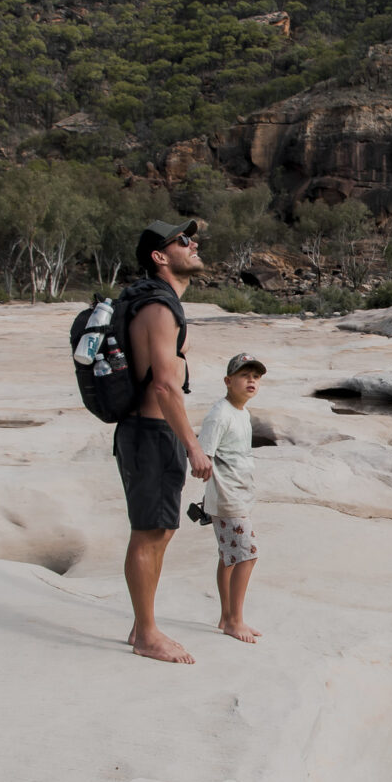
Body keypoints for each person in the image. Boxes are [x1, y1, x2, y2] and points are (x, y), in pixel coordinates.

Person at [117, 219, 214, 664]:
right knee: (148, 533)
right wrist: (192, 444)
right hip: (151, 433)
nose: (193, 245)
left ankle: (143, 622)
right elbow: (163, 386)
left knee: (162, 529)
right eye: (183, 241)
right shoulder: (157, 306)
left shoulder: (163, 304)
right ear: (160, 256)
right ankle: (147, 636)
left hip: (156, 433)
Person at [197, 352, 265, 643]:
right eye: (244, 375)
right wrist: (217, 490)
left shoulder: (242, 412)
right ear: (228, 381)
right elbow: (202, 457)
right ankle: (235, 620)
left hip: (237, 496)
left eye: (256, 377)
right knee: (248, 555)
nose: (251, 381)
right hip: (228, 500)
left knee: (229, 557)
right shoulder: (219, 414)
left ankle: (226, 617)